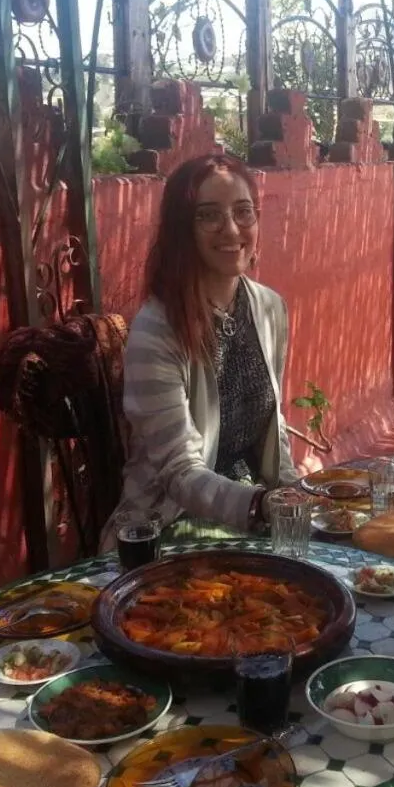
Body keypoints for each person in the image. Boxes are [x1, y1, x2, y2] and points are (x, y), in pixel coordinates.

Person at [107, 153, 298, 549]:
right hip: (170, 526)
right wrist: (262, 505)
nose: (231, 229)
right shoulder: (157, 329)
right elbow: (179, 472)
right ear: (183, 230)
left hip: (254, 514)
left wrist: (297, 499)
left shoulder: (269, 308)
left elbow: (272, 428)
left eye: (243, 212)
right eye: (208, 215)